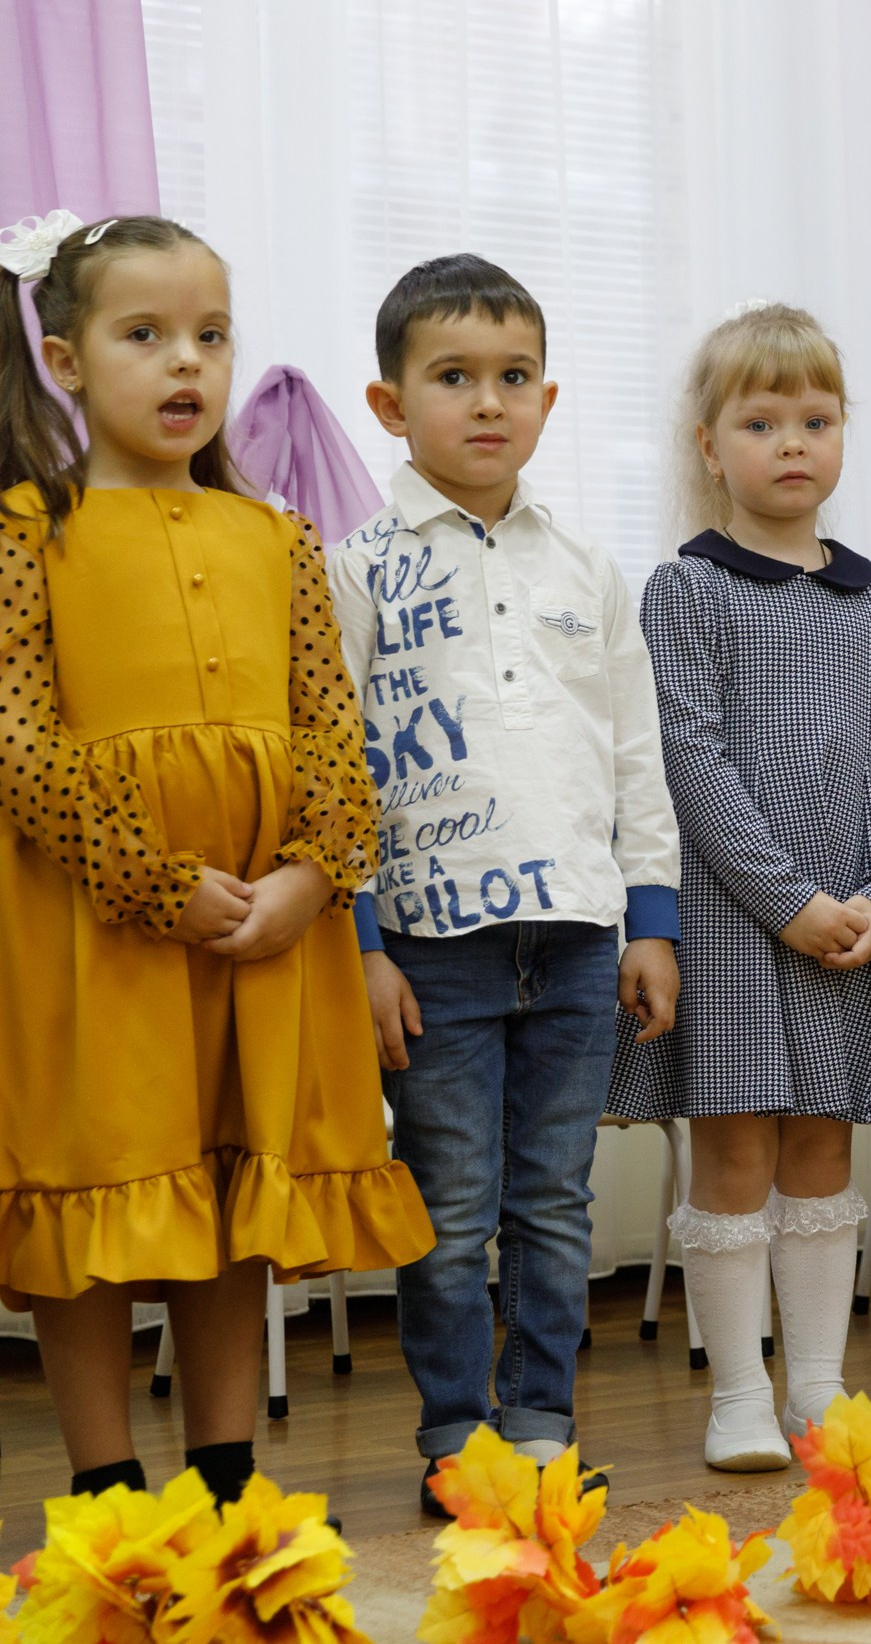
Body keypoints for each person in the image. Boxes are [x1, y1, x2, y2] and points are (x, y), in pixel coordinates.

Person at [0, 211, 431, 1500]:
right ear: (68, 362)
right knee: (103, 1188)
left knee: (237, 1188)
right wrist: (151, 880)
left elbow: (334, 734)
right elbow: (17, 737)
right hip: (100, 926)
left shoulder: (281, 539)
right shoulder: (28, 529)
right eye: (147, 336)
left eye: (211, 335)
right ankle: (106, 1488)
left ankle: (229, 1475)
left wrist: (312, 875)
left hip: (265, 929)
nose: (187, 363)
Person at [329, 255, 683, 1509]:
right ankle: (452, 1432)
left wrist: (651, 921)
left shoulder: (587, 568)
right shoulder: (353, 569)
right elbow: (337, 770)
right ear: (389, 405)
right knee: (451, 1198)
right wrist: (363, 944)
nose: (488, 403)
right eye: (454, 378)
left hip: (578, 935)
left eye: (514, 378)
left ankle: (539, 1416)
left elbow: (635, 753)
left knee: (552, 1196)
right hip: (432, 944)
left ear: (547, 398)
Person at [606, 303, 871, 1469]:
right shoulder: (684, 593)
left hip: (852, 925)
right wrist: (791, 902)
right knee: (736, 1151)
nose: (791, 442)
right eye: (760, 421)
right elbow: (688, 760)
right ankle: (738, 1397)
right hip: (737, 927)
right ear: (710, 445)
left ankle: (821, 1393)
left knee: (823, 1152)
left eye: (815, 418)